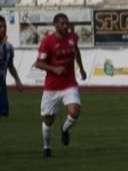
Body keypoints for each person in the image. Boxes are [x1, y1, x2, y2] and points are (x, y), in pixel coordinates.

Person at [35, 13, 87, 157]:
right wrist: (54, 69)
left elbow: (76, 51)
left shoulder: (72, 37)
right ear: (55, 25)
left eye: (67, 23)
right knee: (48, 121)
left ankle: (64, 130)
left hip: (69, 83)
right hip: (52, 87)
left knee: (75, 111)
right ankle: (47, 147)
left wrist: (81, 68)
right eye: (62, 23)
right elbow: (38, 63)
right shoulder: (47, 42)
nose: (66, 26)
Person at [0, 16, 25, 118]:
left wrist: (17, 80)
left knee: (4, 114)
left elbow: (10, 66)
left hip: (2, 85)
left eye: (4, 26)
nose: (3, 29)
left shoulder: (9, 47)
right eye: (0, 26)